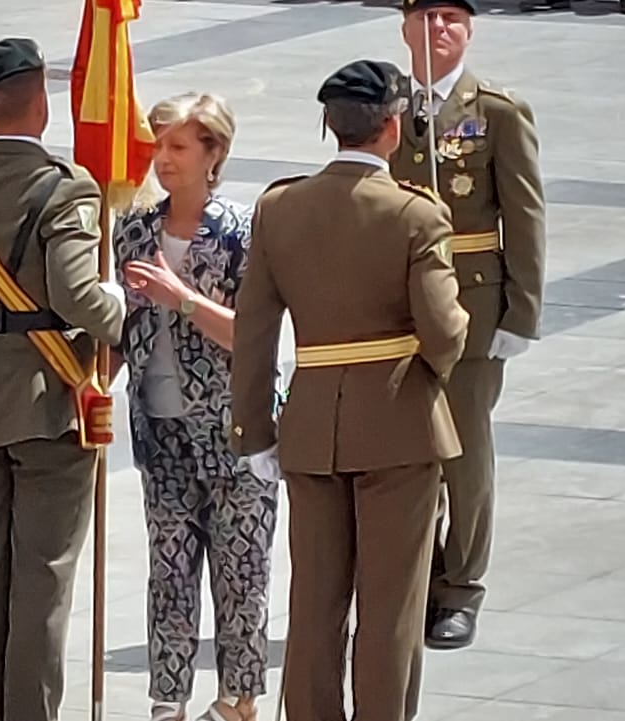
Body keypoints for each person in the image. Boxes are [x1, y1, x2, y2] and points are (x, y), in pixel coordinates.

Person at [230, 59, 468, 721]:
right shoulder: (417, 215)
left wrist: (253, 430)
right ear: (393, 129)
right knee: (389, 607)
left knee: (315, 605)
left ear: (330, 127)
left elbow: (253, 330)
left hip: (310, 428)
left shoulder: (279, 209)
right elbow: (445, 334)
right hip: (398, 425)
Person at [0, 37, 126, 721]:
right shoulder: (64, 186)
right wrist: (124, 316)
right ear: (41, 100)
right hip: (45, 399)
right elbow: (75, 295)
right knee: (41, 579)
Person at [113, 92, 276, 721]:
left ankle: (238, 699)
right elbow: (124, 326)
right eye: (157, 145)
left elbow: (254, 336)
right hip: (161, 433)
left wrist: (182, 298)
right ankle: (167, 699)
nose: (163, 160)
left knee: (241, 571)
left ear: (214, 153)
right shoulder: (135, 227)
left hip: (235, 431)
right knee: (170, 572)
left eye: (178, 146)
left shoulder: (242, 233)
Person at [393, 0, 547, 651]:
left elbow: (525, 213)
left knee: (465, 452)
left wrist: (522, 312)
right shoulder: (386, 105)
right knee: (404, 448)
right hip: (396, 305)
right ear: (405, 28)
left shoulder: (495, 110)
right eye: (425, 18)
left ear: (469, 29)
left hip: (472, 302)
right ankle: (415, 578)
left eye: (452, 18)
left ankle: (461, 588)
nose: (438, 30)